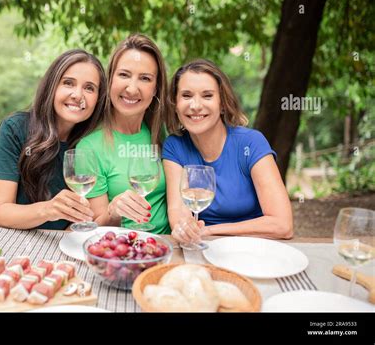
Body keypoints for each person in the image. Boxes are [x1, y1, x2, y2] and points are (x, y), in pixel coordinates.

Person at [163, 59, 293, 242]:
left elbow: (283, 225)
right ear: (175, 105)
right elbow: (179, 213)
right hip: (205, 248)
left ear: (222, 104)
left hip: (255, 248)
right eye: (186, 95)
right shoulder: (174, 146)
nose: (195, 105)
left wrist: (210, 231)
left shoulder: (251, 143)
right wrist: (183, 229)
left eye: (207, 95)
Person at [0, 49, 107, 230]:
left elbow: (94, 215)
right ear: (52, 86)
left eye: (89, 88)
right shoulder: (15, 129)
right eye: (68, 83)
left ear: (98, 98)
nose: (78, 95)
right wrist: (49, 209)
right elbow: (1, 212)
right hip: (20, 242)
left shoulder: (93, 141)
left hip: (67, 247)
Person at [76, 34, 170, 234]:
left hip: (169, 248)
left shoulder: (163, 134)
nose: (132, 88)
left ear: (155, 89)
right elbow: (95, 229)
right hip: (121, 249)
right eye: (124, 75)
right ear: (110, 80)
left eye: (145, 78)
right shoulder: (89, 147)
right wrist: (114, 211)